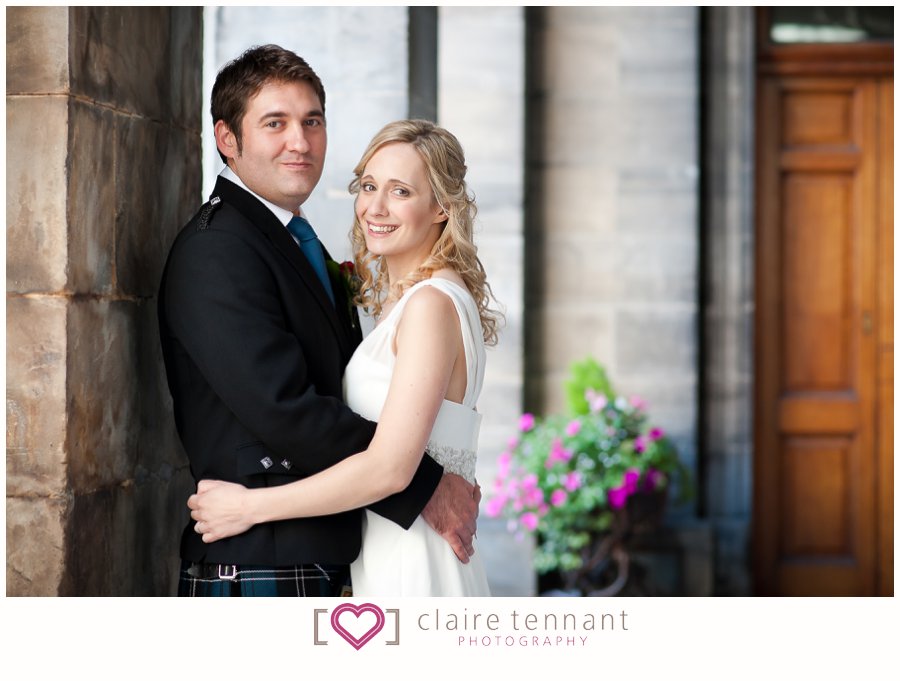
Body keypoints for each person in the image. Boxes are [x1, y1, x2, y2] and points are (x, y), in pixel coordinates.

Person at [158, 45, 479, 597]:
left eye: (312, 122)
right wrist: (425, 485)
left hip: (326, 553)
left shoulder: (290, 243)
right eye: (275, 124)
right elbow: (284, 409)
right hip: (263, 559)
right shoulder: (218, 249)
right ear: (227, 140)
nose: (300, 142)